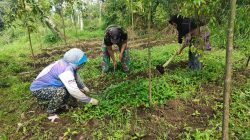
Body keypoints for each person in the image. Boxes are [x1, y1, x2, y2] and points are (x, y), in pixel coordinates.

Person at [30, 48, 98, 122]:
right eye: (81, 63)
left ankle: (64, 104)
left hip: (51, 86)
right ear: (76, 62)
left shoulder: (68, 63)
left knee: (71, 89)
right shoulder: (65, 70)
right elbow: (73, 90)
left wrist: (83, 87)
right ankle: (51, 113)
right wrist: (89, 100)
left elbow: (76, 77)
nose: (82, 65)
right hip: (39, 89)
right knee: (61, 92)